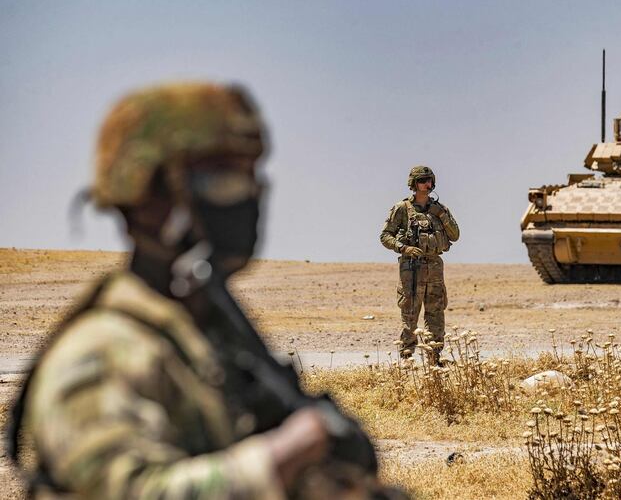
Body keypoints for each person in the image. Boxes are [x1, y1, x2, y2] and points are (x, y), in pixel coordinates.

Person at [7, 83, 394, 499]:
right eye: (224, 179)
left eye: (251, 178)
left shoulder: (204, 328)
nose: (247, 196)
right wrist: (282, 456)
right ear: (148, 194)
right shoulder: (99, 354)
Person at [379, 166, 460, 361]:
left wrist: (440, 214)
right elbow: (385, 236)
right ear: (414, 184)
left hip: (434, 267)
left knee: (436, 313)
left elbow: (455, 236)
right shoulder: (402, 209)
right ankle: (406, 358)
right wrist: (403, 248)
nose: (428, 184)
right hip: (411, 268)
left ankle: (434, 358)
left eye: (430, 180)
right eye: (423, 180)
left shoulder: (440, 210)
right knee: (410, 314)